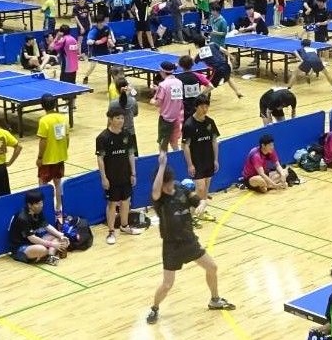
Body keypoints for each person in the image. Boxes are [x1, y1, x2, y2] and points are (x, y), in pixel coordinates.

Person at [147, 149, 237, 323]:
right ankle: (154, 308)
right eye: (165, 185)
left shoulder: (181, 189)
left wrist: (202, 205)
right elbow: (156, 190)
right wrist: (162, 165)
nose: (168, 187)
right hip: (172, 246)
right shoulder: (159, 199)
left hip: (189, 241)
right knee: (167, 284)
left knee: (212, 267)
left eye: (169, 183)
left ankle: (215, 299)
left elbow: (199, 200)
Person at [96, 107, 141, 245]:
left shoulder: (127, 135)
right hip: (111, 177)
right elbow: (100, 159)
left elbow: (131, 154)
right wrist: (104, 177)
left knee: (126, 201)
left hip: (125, 175)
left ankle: (124, 226)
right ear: (110, 119)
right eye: (118, 118)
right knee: (112, 204)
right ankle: (111, 231)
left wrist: (133, 173)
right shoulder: (103, 138)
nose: (121, 121)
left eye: (122, 118)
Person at [182, 96, 221, 221]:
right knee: (200, 188)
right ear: (196, 107)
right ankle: (193, 213)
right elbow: (185, 146)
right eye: (202, 107)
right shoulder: (189, 125)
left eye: (206, 106)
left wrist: (215, 159)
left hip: (208, 160)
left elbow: (214, 141)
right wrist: (190, 164)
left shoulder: (210, 122)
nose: (205, 109)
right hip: (197, 161)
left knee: (206, 188)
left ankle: (200, 212)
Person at [7, 190, 68, 266]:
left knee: (56, 237)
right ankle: (44, 253)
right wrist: (52, 244)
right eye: (38, 204)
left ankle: (50, 256)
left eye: (41, 203)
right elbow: (32, 238)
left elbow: (46, 226)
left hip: (32, 242)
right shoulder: (22, 218)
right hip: (20, 247)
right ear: (30, 205)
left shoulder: (37, 211)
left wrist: (61, 235)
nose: (41, 205)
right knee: (42, 249)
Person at [35, 94, 70, 214]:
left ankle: (44, 209)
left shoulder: (44, 120)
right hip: (60, 157)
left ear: (42, 105)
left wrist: (40, 157)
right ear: (55, 104)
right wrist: (64, 150)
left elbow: (43, 141)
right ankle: (58, 207)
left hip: (47, 159)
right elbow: (67, 137)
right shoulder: (63, 118)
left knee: (42, 184)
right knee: (58, 183)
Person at [152, 61, 184, 151]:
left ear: (162, 71)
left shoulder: (163, 85)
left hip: (165, 120)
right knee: (174, 143)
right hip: (176, 118)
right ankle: (178, 159)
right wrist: (158, 89)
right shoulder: (179, 82)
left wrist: (152, 101)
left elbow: (157, 103)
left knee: (163, 146)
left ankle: (163, 161)